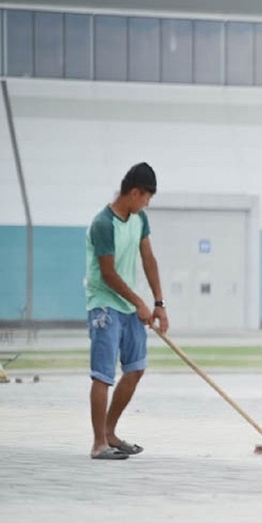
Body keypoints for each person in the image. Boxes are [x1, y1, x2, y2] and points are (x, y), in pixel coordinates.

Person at [85, 162, 168, 460]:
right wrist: (139, 302)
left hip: (129, 306)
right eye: (146, 197)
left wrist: (158, 303)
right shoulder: (103, 224)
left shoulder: (139, 219)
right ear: (134, 192)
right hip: (104, 307)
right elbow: (108, 274)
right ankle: (98, 444)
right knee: (103, 375)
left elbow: (148, 259)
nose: (147, 203)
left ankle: (110, 433)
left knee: (135, 369)